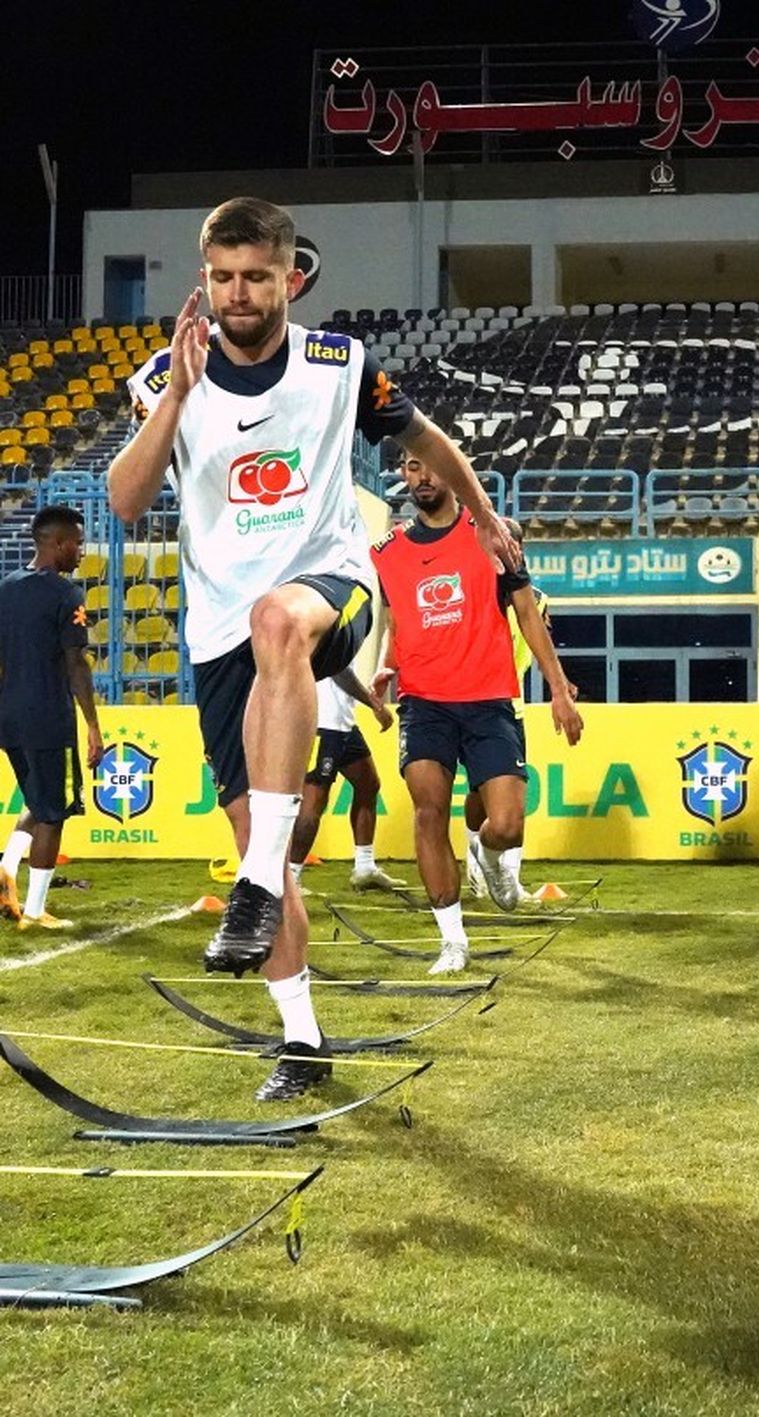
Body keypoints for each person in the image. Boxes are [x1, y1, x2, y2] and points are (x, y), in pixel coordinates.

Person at [110, 196, 521, 1101]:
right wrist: (178, 395)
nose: (239, 294)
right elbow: (126, 501)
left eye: (257, 276)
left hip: (326, 583)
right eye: (222, 277)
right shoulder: (160, 377)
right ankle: (302, 1038)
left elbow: (430, 440)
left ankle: (257, 880)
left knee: (277, 621)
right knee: (261, 826)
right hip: (215, 632)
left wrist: (486, 520)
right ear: (205, 278)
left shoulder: (341, 368)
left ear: (290, 277)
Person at [369, 451, 583, 974]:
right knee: (429, 812)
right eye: (411, 467)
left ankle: (491, 860)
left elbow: (528, 615)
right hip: (424, 702)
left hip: (489, 699)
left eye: (431, 466)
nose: (421, 477)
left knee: (507, 824)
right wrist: (384, 667)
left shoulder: (493, 536)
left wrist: (559, 689)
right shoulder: (386, 552)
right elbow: (395, 620)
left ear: (453, 471)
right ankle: (452, 940)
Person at [0, 505, 104, 931]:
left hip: (9, 718)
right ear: (57, 543)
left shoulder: (5, 587)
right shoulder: (66, 595)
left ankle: (6, 872)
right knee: (54, 811)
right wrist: (93, 727)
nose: (81, 551)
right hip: (47, 717)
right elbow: (76, 665)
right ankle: (37, 910)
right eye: (77, 543)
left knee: (37, 800)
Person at [464, 586, 552, 904]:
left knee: (513, 799)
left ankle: (510, 877)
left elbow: (540, 642)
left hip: (510, 705)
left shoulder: (536, 598)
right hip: (470, 703)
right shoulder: (472, 589)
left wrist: (559, 683)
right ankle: (475, 862)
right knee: (477, 792)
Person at [288, 670, 402, 891]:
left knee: (368, 784)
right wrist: (375, 704)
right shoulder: (329, 634)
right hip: (322, 723)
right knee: (314, 802)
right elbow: (339, 671)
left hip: (343, 724)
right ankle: (290, 878)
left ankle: (364, 867)